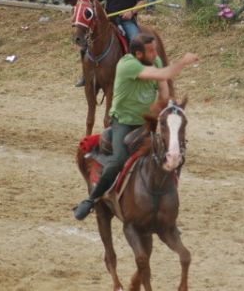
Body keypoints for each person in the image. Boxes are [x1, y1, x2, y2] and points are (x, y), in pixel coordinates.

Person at [73, 34, 199, 220]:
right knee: (119, 159)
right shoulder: (128, 65)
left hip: (146, 121)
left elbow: (163, 89)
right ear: (138, 54)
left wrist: (168, 105)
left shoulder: (153, 60)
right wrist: (183, 62)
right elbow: (164, 74)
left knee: (172, 152)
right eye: (151, 50)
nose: (156, 54)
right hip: (123, 121)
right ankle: (91, 200)